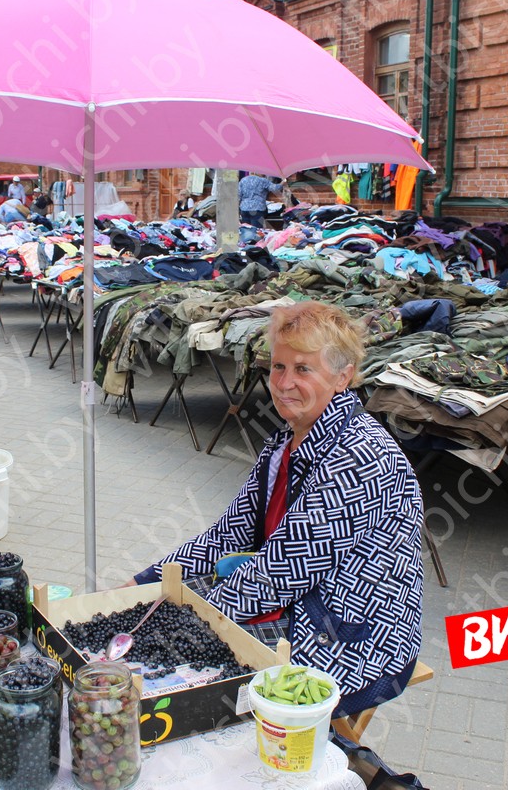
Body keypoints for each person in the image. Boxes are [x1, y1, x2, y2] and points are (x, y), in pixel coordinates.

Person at [125, 301, 424, 714]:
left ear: (343, 377)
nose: (283, 383)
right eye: (278, 367)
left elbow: (279, 575)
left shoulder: (359, 458)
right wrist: (148, 582)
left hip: (353, 642)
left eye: (303, 369)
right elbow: (229, 533)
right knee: (161, 625)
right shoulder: (287, 441)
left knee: (176, 685)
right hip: (299, 605)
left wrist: (175, 624)